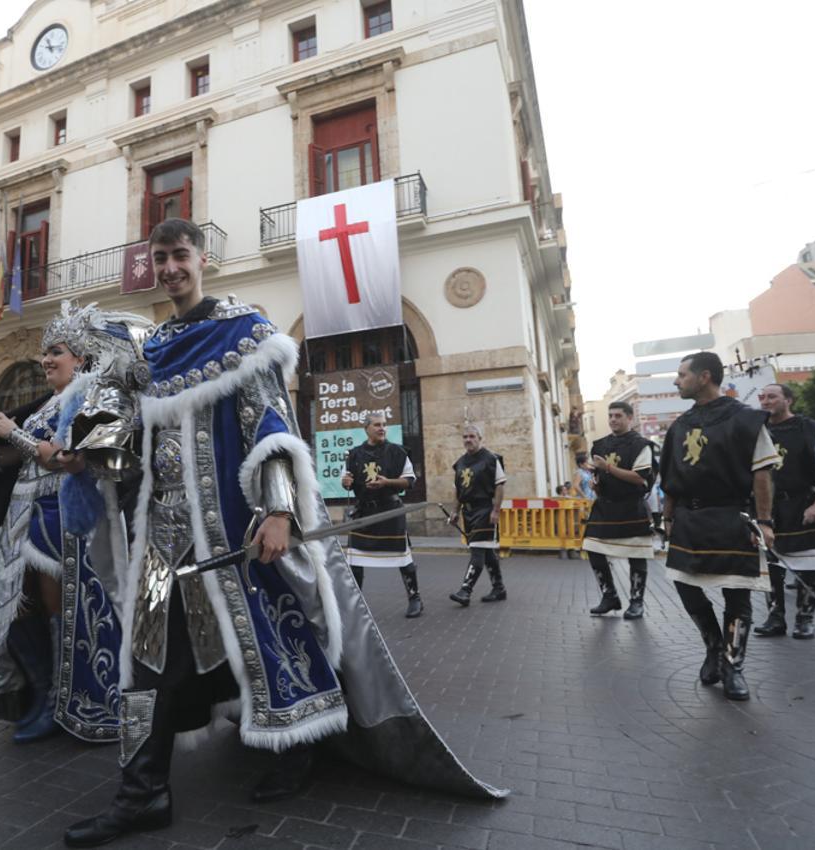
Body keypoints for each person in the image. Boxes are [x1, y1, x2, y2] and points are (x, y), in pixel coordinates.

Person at [63, 219, 503, 848]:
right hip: (164, 545)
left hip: (237, 533)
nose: (169, 269)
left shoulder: (242, 333)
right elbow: (137, 442)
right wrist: (92, 457)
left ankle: (299, 749)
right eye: (159, 259)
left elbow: (272, 427)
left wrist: (278, 512)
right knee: (144, 661)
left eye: (179, 256)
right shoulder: (152, 348)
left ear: (202, 258)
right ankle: (142, 795)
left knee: (269, 643)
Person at [0, 302, 144, 745]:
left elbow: (70, 459)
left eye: (57, 351)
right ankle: (42, 691)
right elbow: (12, 458)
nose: (46, 359)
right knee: (14, 607)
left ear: (81, 359)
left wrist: (15, 434)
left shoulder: (92, 398)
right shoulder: (47, 404)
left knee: (59, 614)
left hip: (69, 524)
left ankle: (65, 701)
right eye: (45, 352)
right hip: (24, 520)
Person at [660, 352, 779, 701]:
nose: (676, 380)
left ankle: (732, 665)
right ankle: (713, 645)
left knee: (737, 593)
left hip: (731, 516)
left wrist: (765, 521)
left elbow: (762, 473)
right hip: (689, 519)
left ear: (705, 376)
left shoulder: (745, 420)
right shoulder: (681, 425)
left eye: (682, 374)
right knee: (686, 587)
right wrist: (667, 517)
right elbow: (671, 478)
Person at [752, 384, 815, 640]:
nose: (766, 401)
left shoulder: (811, 429)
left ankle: (805, 618)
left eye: (772, 396)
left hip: (802, 503)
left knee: (809, 563)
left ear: (789, 400)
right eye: (762, 397)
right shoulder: (757, 430)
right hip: (766, 507)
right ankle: (775, 616)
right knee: (771, 565)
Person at [339, 413, 423, 618]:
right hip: (364, 513)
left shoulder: (397, 452)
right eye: (377, 425)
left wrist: (387, 483)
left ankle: (415, 599)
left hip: (390, 511)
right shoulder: (354, 455)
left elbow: (409, 481)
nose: (382, 428)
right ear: (366, 428)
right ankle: (355, 603)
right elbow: (346, 479)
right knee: (355, 560)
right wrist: (346, 482)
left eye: (384, 425)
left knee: (403, 558)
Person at [582, 401, 656, 619]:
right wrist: (595, 483)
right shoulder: (599, 445)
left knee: (636, 553)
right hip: (604, 506)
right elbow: (597, 475)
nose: (613, 419)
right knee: (592, 548)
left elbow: (640, 478)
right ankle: (609, 595)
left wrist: (609, 468)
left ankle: (636, 601)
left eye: (618, 416)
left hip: (631, 506)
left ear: (629, 418)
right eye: (610, 415)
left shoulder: (641, 445)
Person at [448, 424, 507, 606]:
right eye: (465, 437)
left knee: (477, 550)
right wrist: (455, 511)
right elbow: (459, 491)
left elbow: (500, 485)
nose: (468, 440)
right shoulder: (460, 463)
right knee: (486, 550)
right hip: (468, 511)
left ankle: (466, 590)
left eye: (472, 436)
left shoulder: (491, 459)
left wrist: (496, 510)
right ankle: (499, 588)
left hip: (484, 509)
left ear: (479, 438)